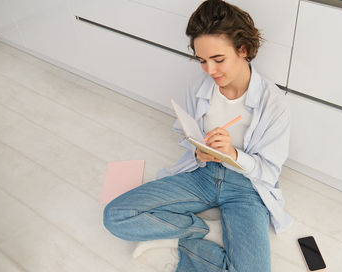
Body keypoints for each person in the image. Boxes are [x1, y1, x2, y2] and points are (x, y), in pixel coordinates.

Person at [103, 0, 292, 271]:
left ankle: (186, 243)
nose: (210, 71)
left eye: (218, 59)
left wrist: (233, 154)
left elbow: (269, 171)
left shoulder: (274, 104)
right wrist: (198, 150)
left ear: (243, 50)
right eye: (202, 61)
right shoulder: (199, 88)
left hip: (246, 189)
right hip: (202, 174)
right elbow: (187, 134)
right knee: (116, 216)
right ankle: (198, 231)